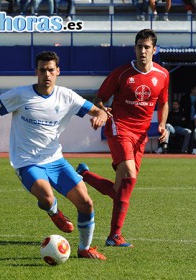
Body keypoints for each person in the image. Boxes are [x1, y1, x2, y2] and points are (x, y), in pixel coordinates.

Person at [0, 51, 108, 260]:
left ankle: (84, 248)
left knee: (86, 203)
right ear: (36, 72)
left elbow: (99, 111)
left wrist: (101, 117)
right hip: (26, 161)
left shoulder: (66, 96)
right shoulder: (21, 95)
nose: (47, 74)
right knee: (46, 195)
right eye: (42, 70)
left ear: (58, 71)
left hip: (55, 160)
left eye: (51, 70)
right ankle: (54, 213)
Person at [76, 29, 169, 247]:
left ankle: (84, 174)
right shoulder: (122, 73)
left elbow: (163, 102)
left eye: (147, 47)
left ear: (154, 50)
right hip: (120, 128)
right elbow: (99, 98)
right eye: (139, 47)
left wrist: (163, 124)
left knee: (120, 190)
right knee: (129, 172)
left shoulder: (163, 74)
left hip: (141, 136)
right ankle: (114, 236)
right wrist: (102, 111)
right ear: (135, 48)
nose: (142, 51)